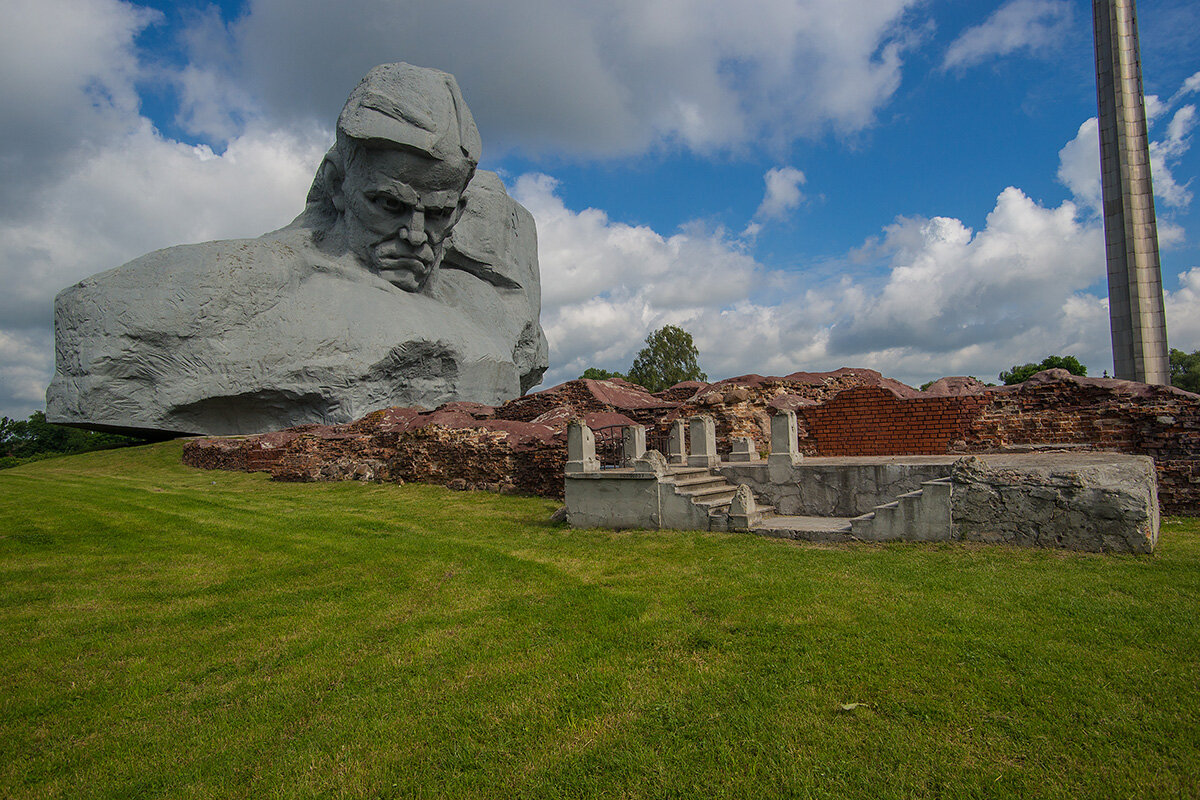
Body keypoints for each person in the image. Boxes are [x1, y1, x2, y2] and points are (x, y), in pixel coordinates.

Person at [47, 64, 547, 436]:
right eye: (388, 204)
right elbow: (95, 314)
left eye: (436, 213)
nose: (416, 234)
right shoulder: (263, 273)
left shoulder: (478, 301)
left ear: (458, 212)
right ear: (337, 184)